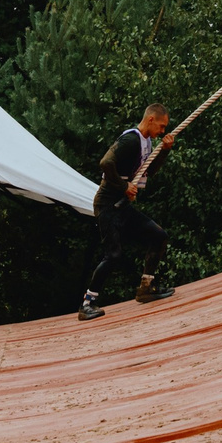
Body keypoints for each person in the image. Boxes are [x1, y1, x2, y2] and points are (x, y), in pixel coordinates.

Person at [78, 104, 173, 320]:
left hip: (122, 206)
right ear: (150, 119)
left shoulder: (146, 142)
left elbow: (148, 171)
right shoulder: (131, 139)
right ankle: (87, 304)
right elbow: (105, 162)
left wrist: (165, 151)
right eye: (161, 126)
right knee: (113, 254)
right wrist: (124, 187)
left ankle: (146, 287)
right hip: (107, 205)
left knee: (159, 236)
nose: (163, 131)